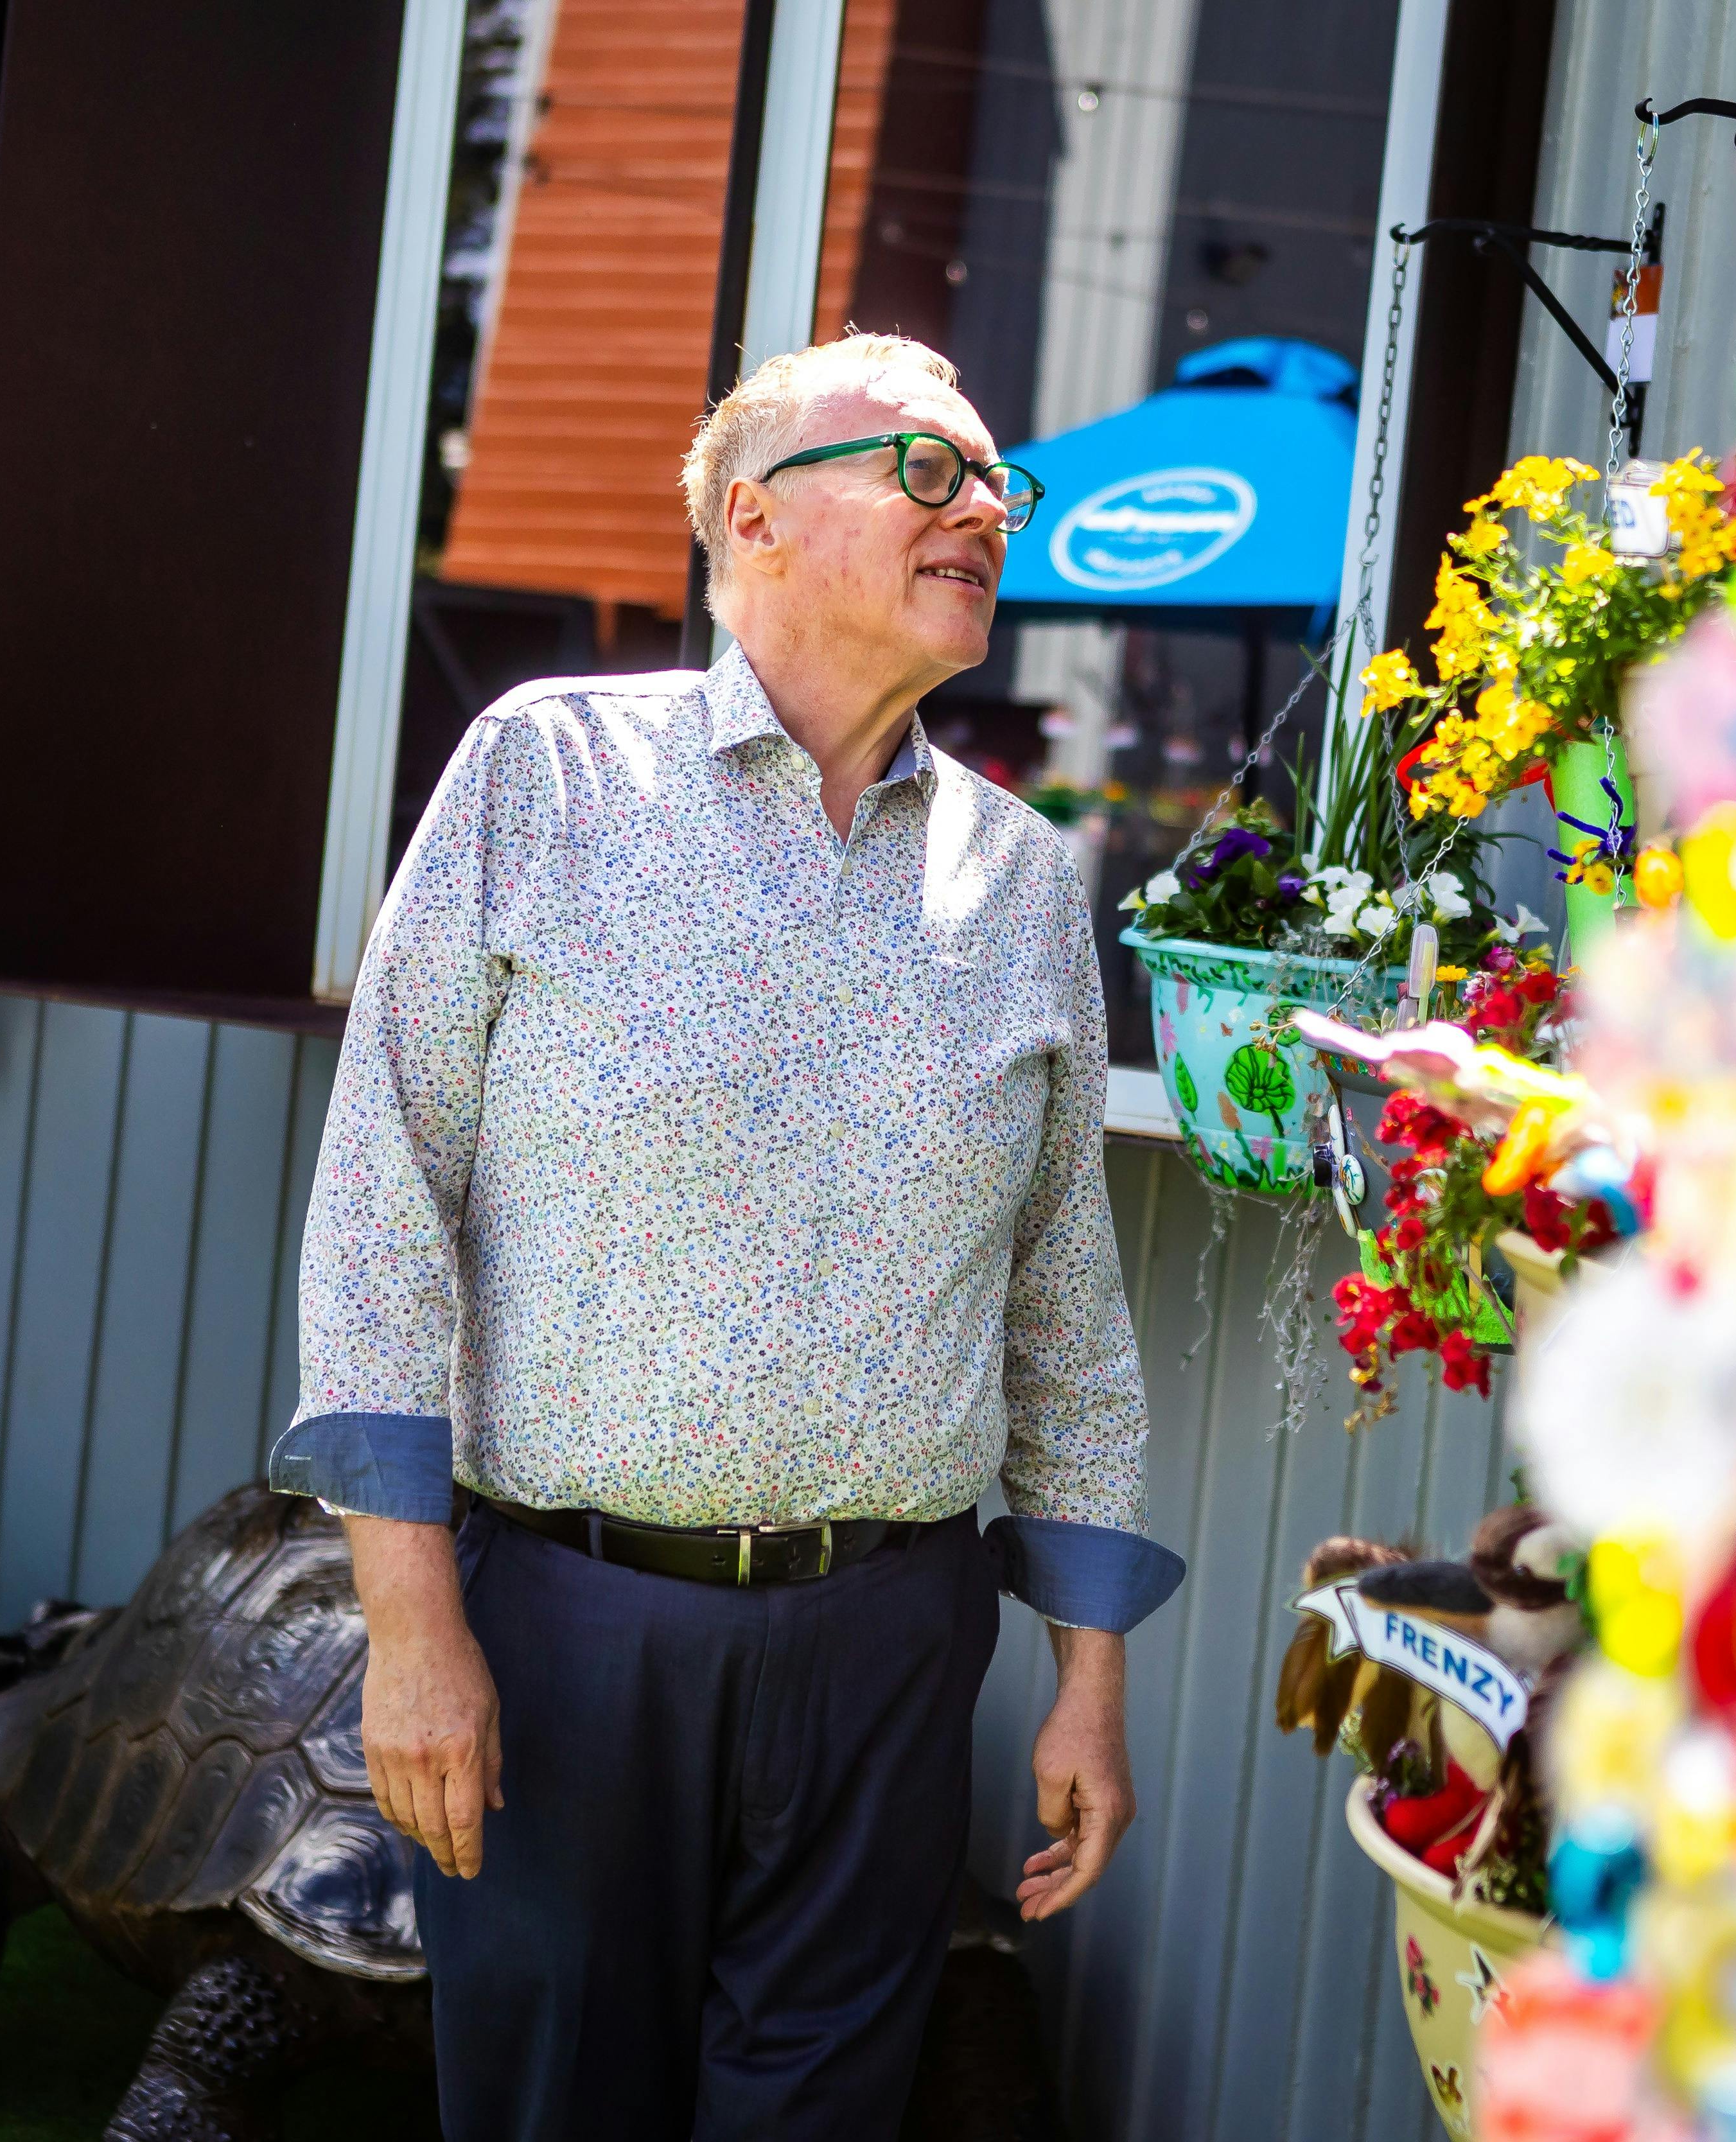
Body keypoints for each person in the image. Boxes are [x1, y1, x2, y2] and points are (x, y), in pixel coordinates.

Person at [266, 332, 1183, 2139]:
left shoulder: (1021, 883)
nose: (983, 509)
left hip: (894, 1644)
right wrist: (411, 1625)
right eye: (927, 470)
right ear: (751, 519)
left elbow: (1061, 1300)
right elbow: (383, 1206)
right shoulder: (546, 776)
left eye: (1000, 483)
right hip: (565, 1624)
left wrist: (1086, 1683)